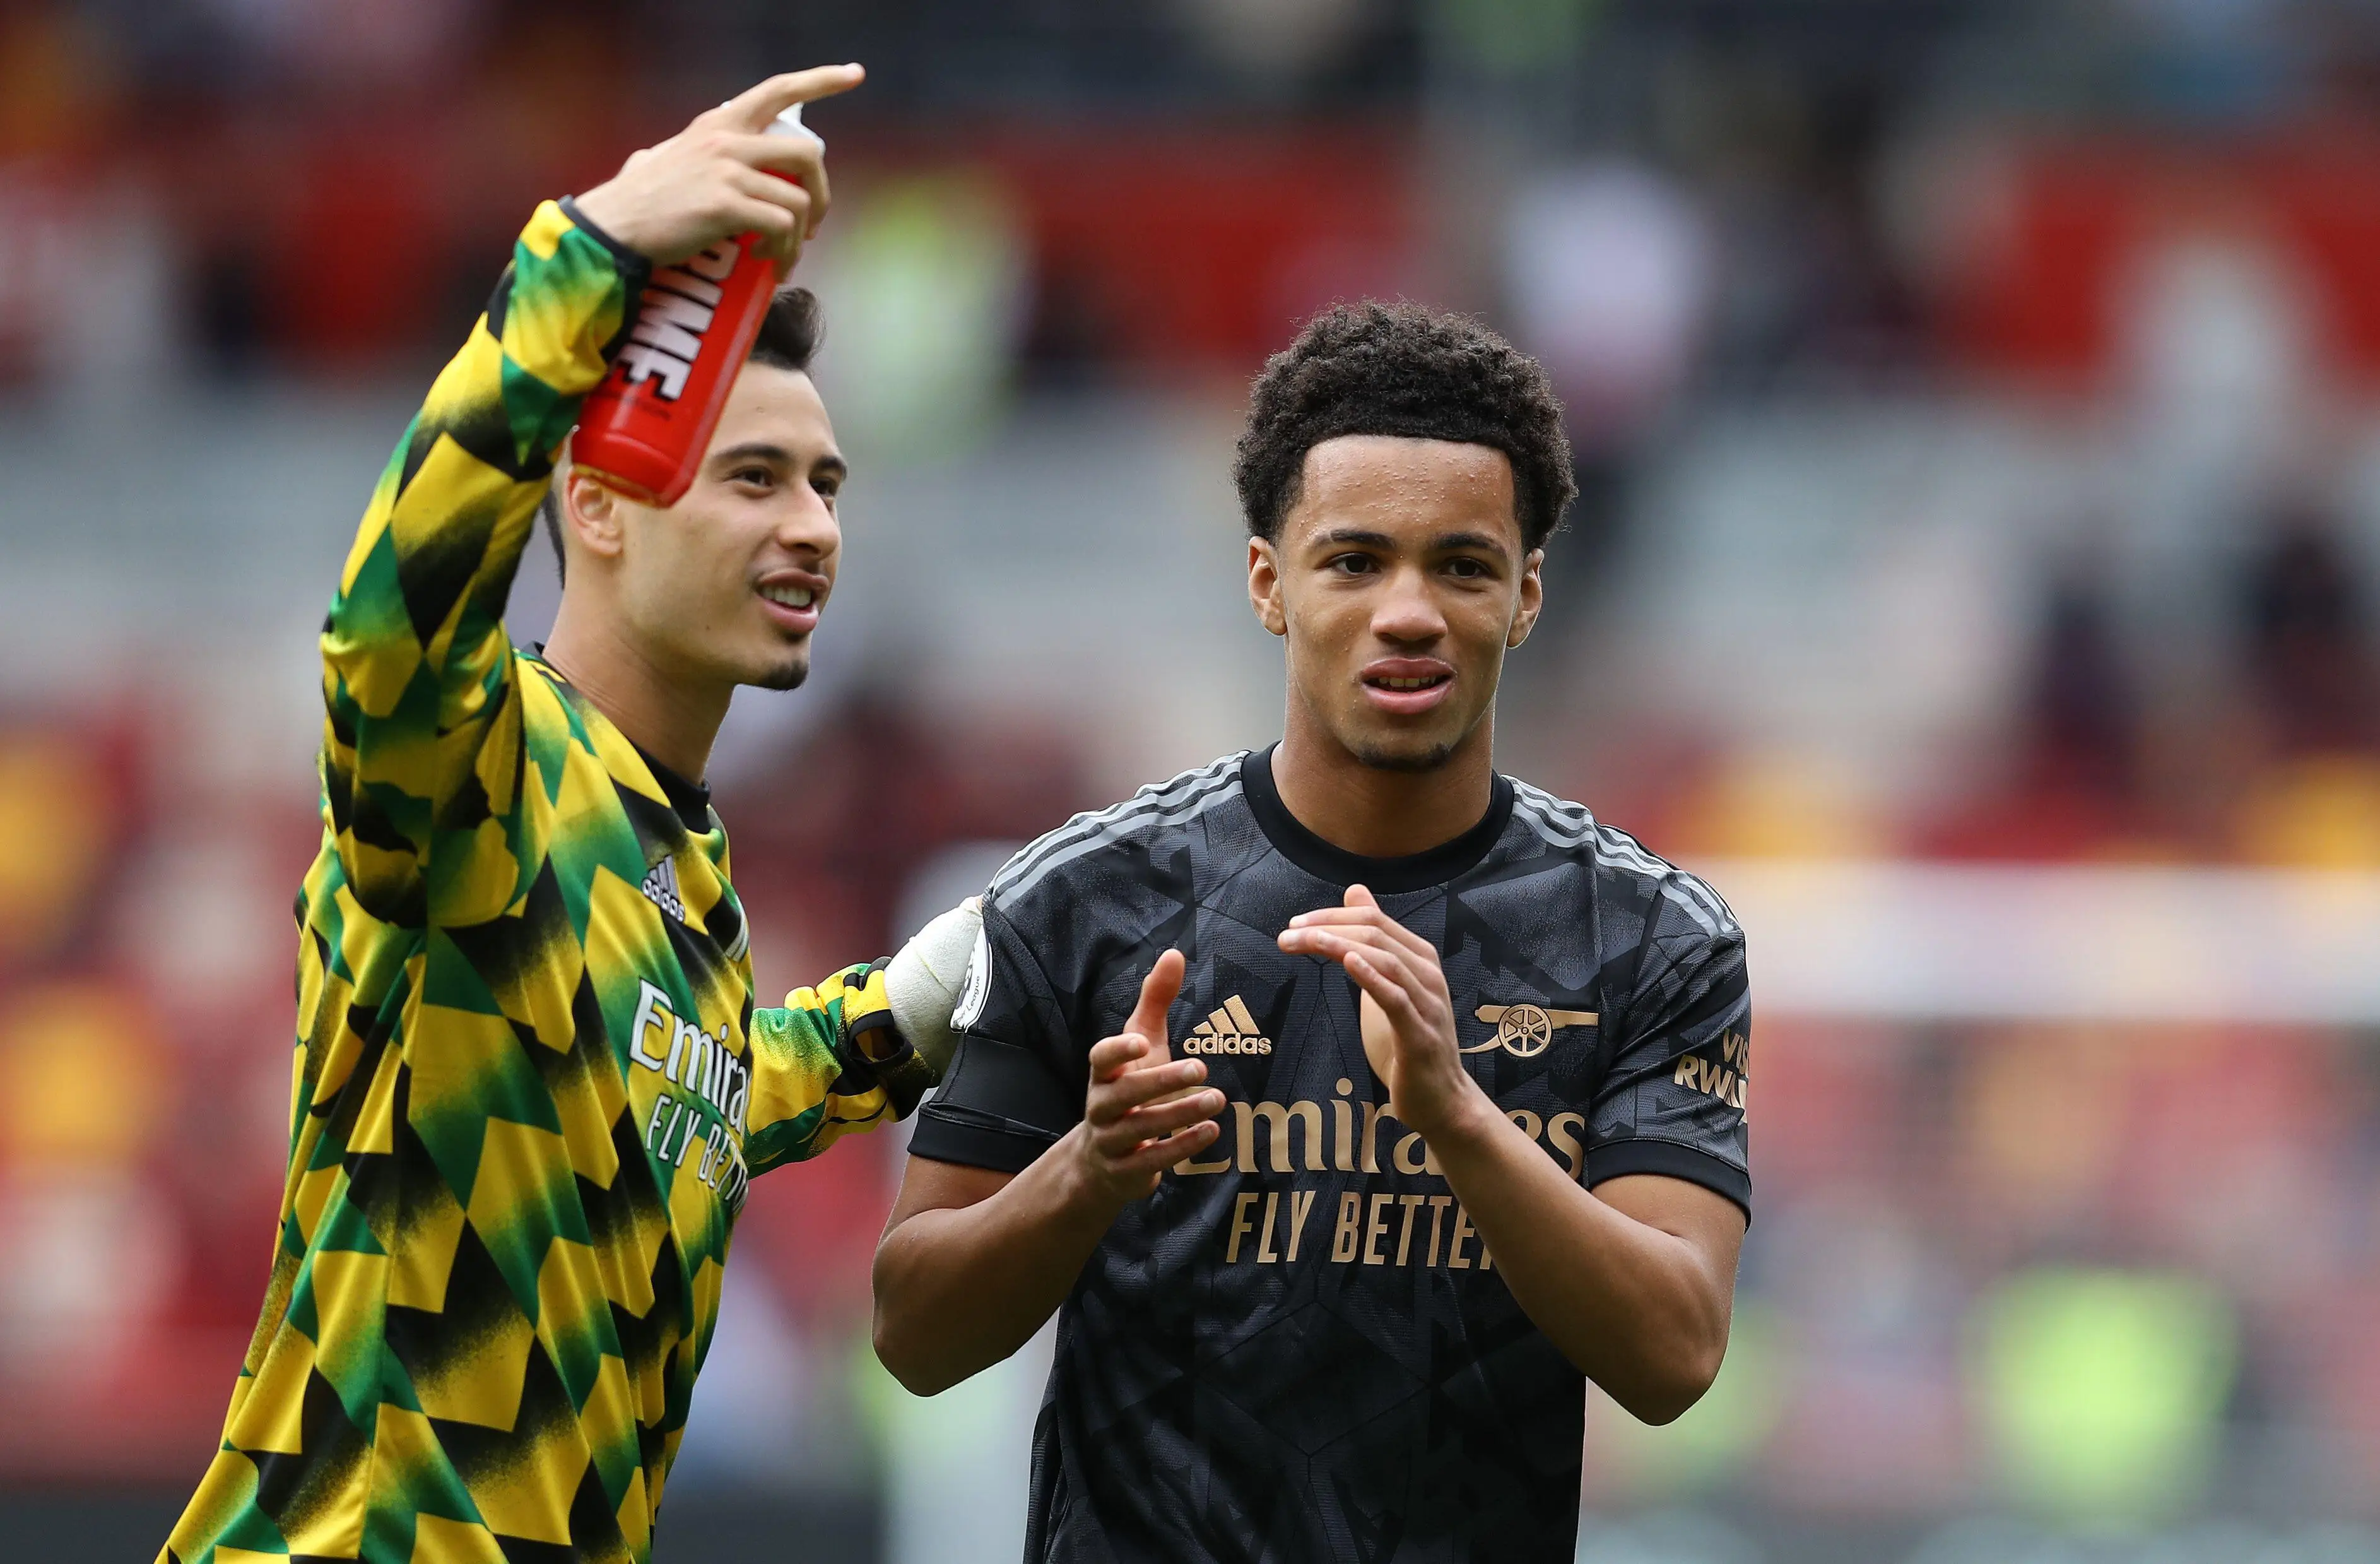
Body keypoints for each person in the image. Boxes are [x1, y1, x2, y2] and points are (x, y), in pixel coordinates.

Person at [163, 65, 957, 1564]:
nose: (812, 525)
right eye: (755, 478)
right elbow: (383, 630)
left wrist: (895, 1021)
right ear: (596, 505)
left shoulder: (675, 858)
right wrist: (584, 248)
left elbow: (677, 1088)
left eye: (829, 485)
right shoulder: (483, 767)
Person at [873, 302, 1753, 1562]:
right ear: (1266, 583)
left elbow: (1674, 1355)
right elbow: (914, 1334)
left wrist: (1455, 1117)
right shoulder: (1082, 900)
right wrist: (1089, 1170)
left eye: (1460, 565)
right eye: (1353, 561)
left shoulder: (1651, 938)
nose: (1408, 611)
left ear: (1523, 598)